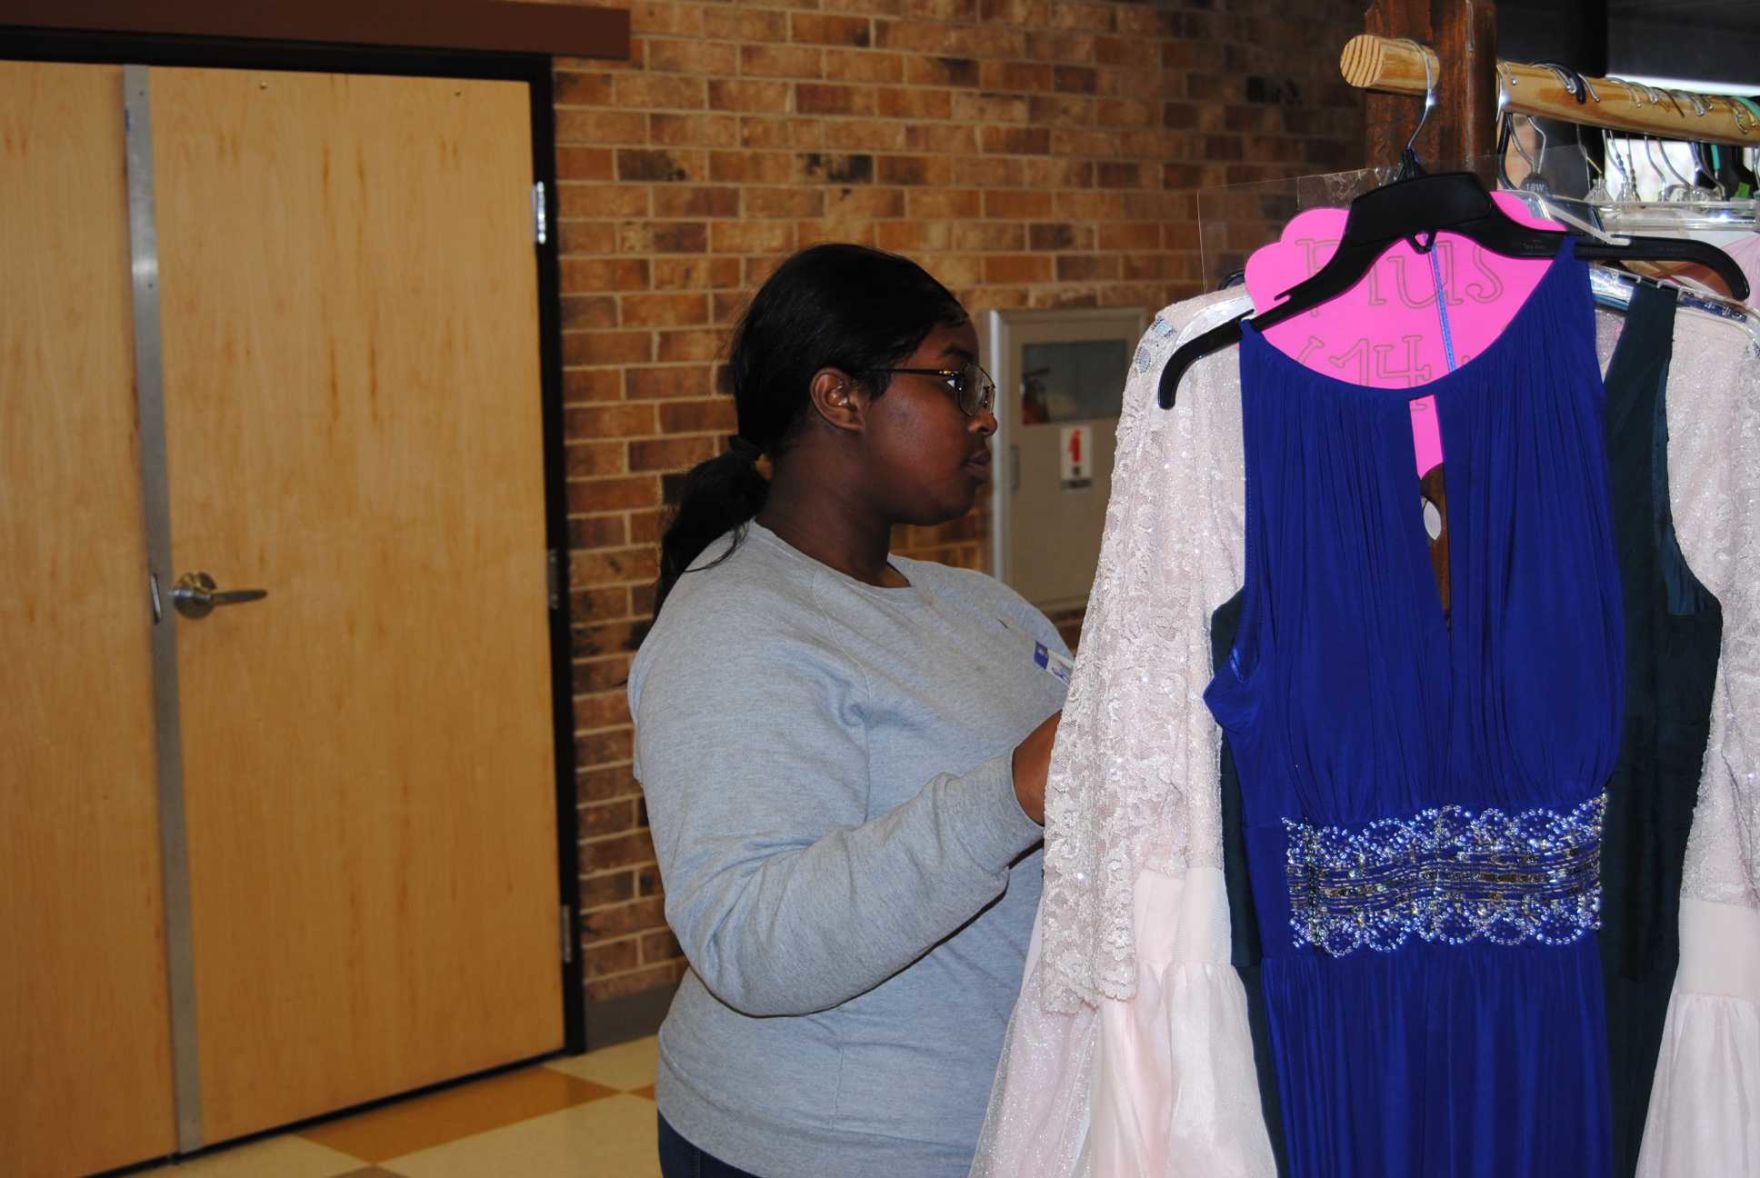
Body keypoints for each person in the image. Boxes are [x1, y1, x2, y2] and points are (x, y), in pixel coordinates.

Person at [628, 243, 1067, 1178]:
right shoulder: (733, 629)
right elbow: (748, 939)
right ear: (841, 399)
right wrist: (1013, 793)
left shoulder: (982, 605)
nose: (986, 414)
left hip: (1007, 1119)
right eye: (954, 379)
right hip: (828, 1146)